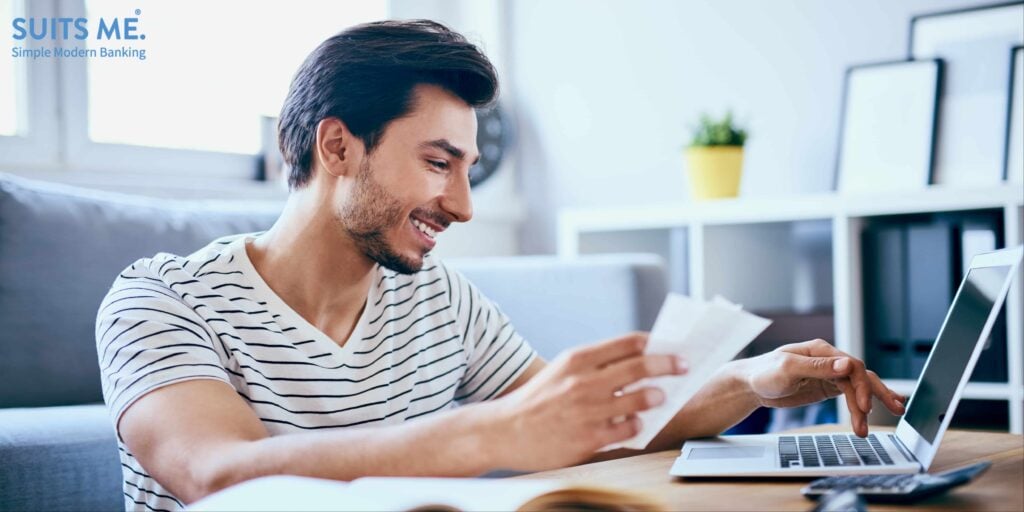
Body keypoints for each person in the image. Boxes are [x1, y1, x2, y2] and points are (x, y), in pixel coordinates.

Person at [95, 19, 906, 511]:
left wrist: (751, 381)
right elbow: (215, 474)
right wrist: (498, 430)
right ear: (337, 144)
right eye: (439, 162)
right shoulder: (160, 299)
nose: (464, 205)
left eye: (469, 170)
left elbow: (592, 425)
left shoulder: (440, 299)